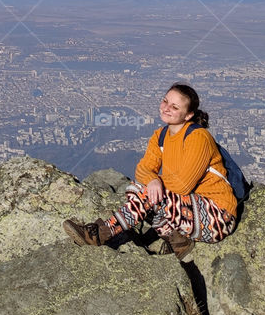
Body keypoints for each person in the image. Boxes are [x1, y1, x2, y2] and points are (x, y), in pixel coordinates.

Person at [63, 82, 237, 261]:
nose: (166, 108)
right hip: (189, 209)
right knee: (135, 188)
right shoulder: (161, 136)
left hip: (217, 216)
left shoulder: (198, 137)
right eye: (165, 101)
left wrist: (155, 183)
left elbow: (183, 185)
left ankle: (102, 233)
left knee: (147, 193)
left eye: (175, 107)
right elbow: (143, 169)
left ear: (189, 115)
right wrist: (153, 180)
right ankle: (177, 240)